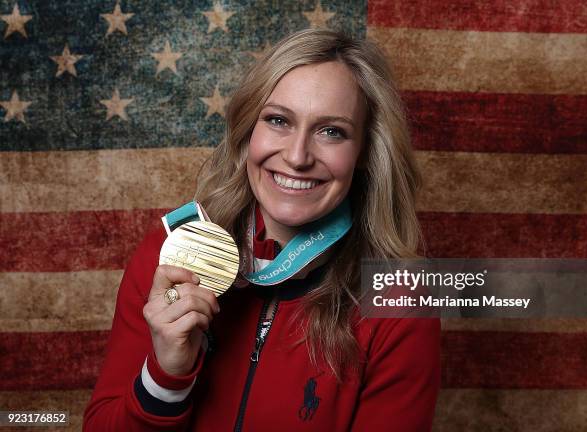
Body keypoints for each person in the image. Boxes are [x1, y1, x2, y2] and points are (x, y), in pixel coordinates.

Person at [83, 28, 440, 431]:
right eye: (278, 120)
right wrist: (166, 376)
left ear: (364, 153)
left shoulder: (399, 301)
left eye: (331, 131)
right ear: (249, 130)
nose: (297, 156)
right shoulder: (172, 255)